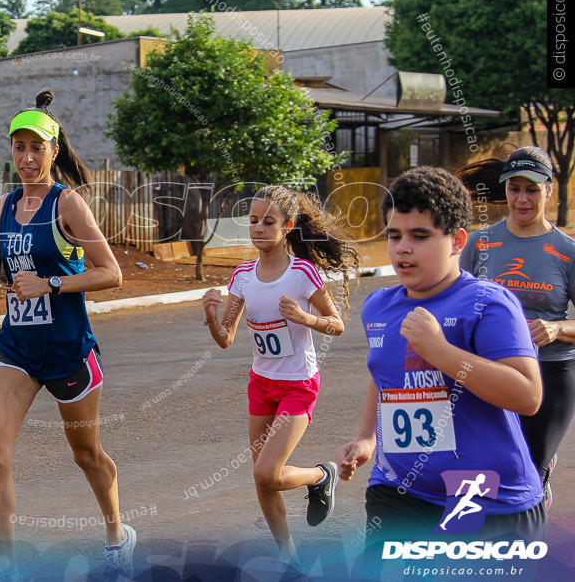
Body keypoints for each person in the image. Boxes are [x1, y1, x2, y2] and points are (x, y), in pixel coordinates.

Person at [0, 88, 133, 580]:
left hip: (68, 349)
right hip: (16, 348)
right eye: (19, 147)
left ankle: (117, 534)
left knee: (86, 455)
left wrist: (52, 282)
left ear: (55, 151)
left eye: (37, 148)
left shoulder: (68, 204)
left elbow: (111, 273)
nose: (27, 158)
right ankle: (4, 566)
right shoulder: (1, 207)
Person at [336, 166, 545, 550]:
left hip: (483, 493)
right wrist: (366, 438)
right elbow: (384, 375)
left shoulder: (488, 304)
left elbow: (527, 396)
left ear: (456, 241)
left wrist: (441, 352)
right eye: (394, 235)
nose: (402, 248)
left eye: (420, 236)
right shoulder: (379, 306)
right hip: (398, 488)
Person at [201, 185, 359, 563]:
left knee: (267, 473)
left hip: (298, 384)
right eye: (253, 220)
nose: (258, 228)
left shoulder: (302, 273)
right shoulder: (241, 276)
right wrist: (210, 317)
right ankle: (289, 559)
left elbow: (337, 324)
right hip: (262, 383)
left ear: (287, 226)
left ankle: (322, 476)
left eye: (268, 221)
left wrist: (305, 317)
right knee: (262, 477)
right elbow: (225, 338)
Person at [458, 146, 575, 509]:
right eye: (514, 189)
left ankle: (526, 552)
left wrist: (557, 328)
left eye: (533, 189)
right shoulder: (480, 244)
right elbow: (455, 302)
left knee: (527, 476)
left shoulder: (566, 251)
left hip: (551, 372)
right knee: (482, 471)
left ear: (549, 191)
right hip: (488, 370)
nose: (522, 199)